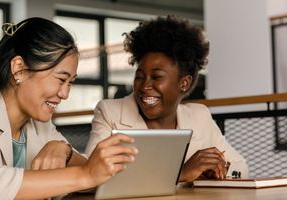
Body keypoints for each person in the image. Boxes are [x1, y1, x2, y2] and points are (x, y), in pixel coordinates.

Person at [0, 17, 138, 200]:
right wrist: (85, 176)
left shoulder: (39, 124)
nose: (65, 94)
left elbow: (91, 173)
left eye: (70, 83)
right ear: (19, 69)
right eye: (61, 80)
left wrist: (65, 152)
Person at [85, 15, 248, 182]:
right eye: (140, 76)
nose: (144, 86)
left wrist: (217, 171)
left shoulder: (199, 116)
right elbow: (90, 177)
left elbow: (240, 168)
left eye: (156, 77)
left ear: (184, 83)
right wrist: (180, 174)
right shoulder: (110, 113)